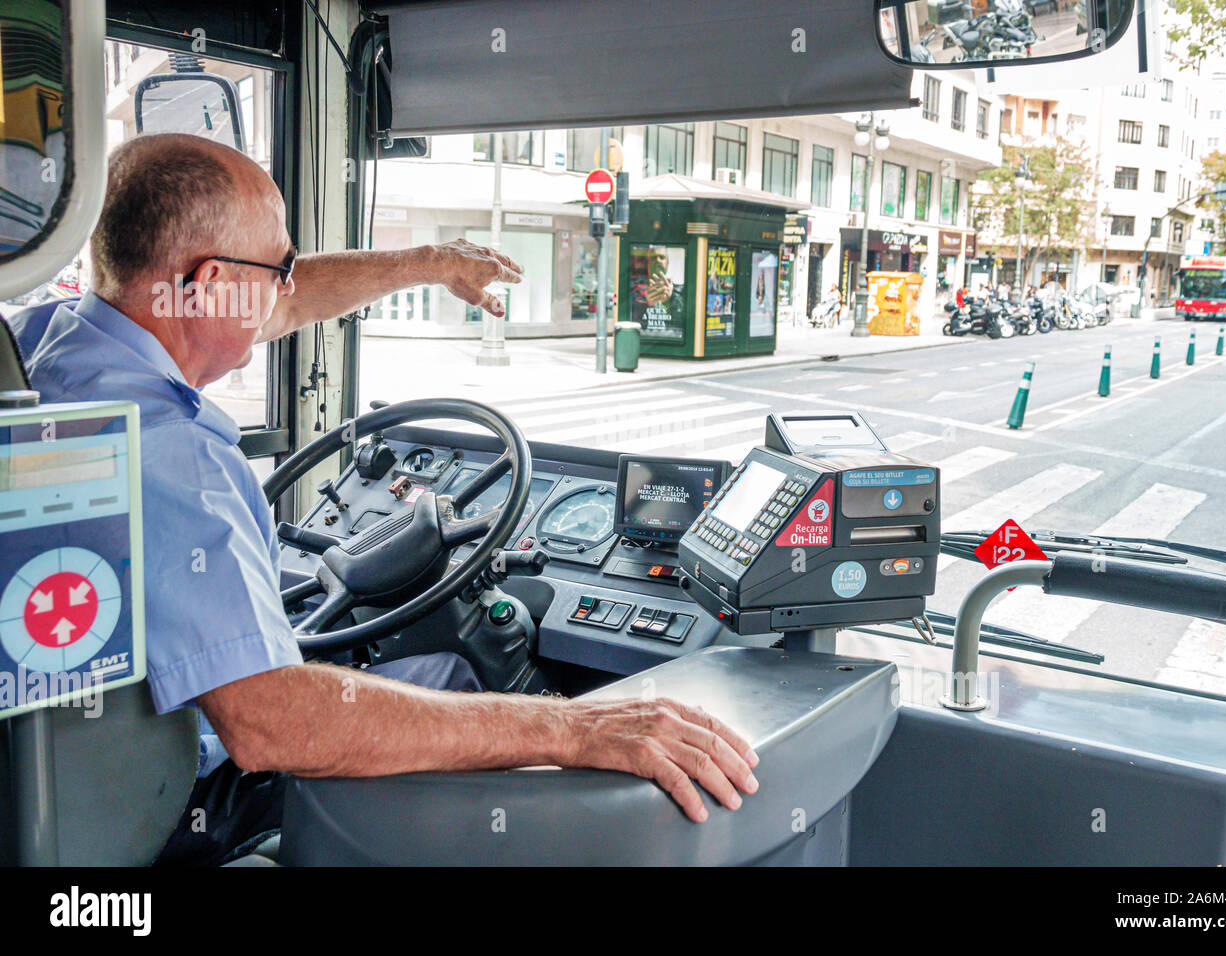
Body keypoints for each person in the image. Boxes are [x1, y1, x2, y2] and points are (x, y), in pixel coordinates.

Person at [9, 134, 758, 863]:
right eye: (280, 266)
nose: (287, 289)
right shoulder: (177, 457)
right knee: (464, 677)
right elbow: (270, 726)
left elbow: (278, 307)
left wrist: (431, 264)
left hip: (62, 784)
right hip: (190, 806)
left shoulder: (48, 343)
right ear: (207, 284)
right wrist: (575, 731)